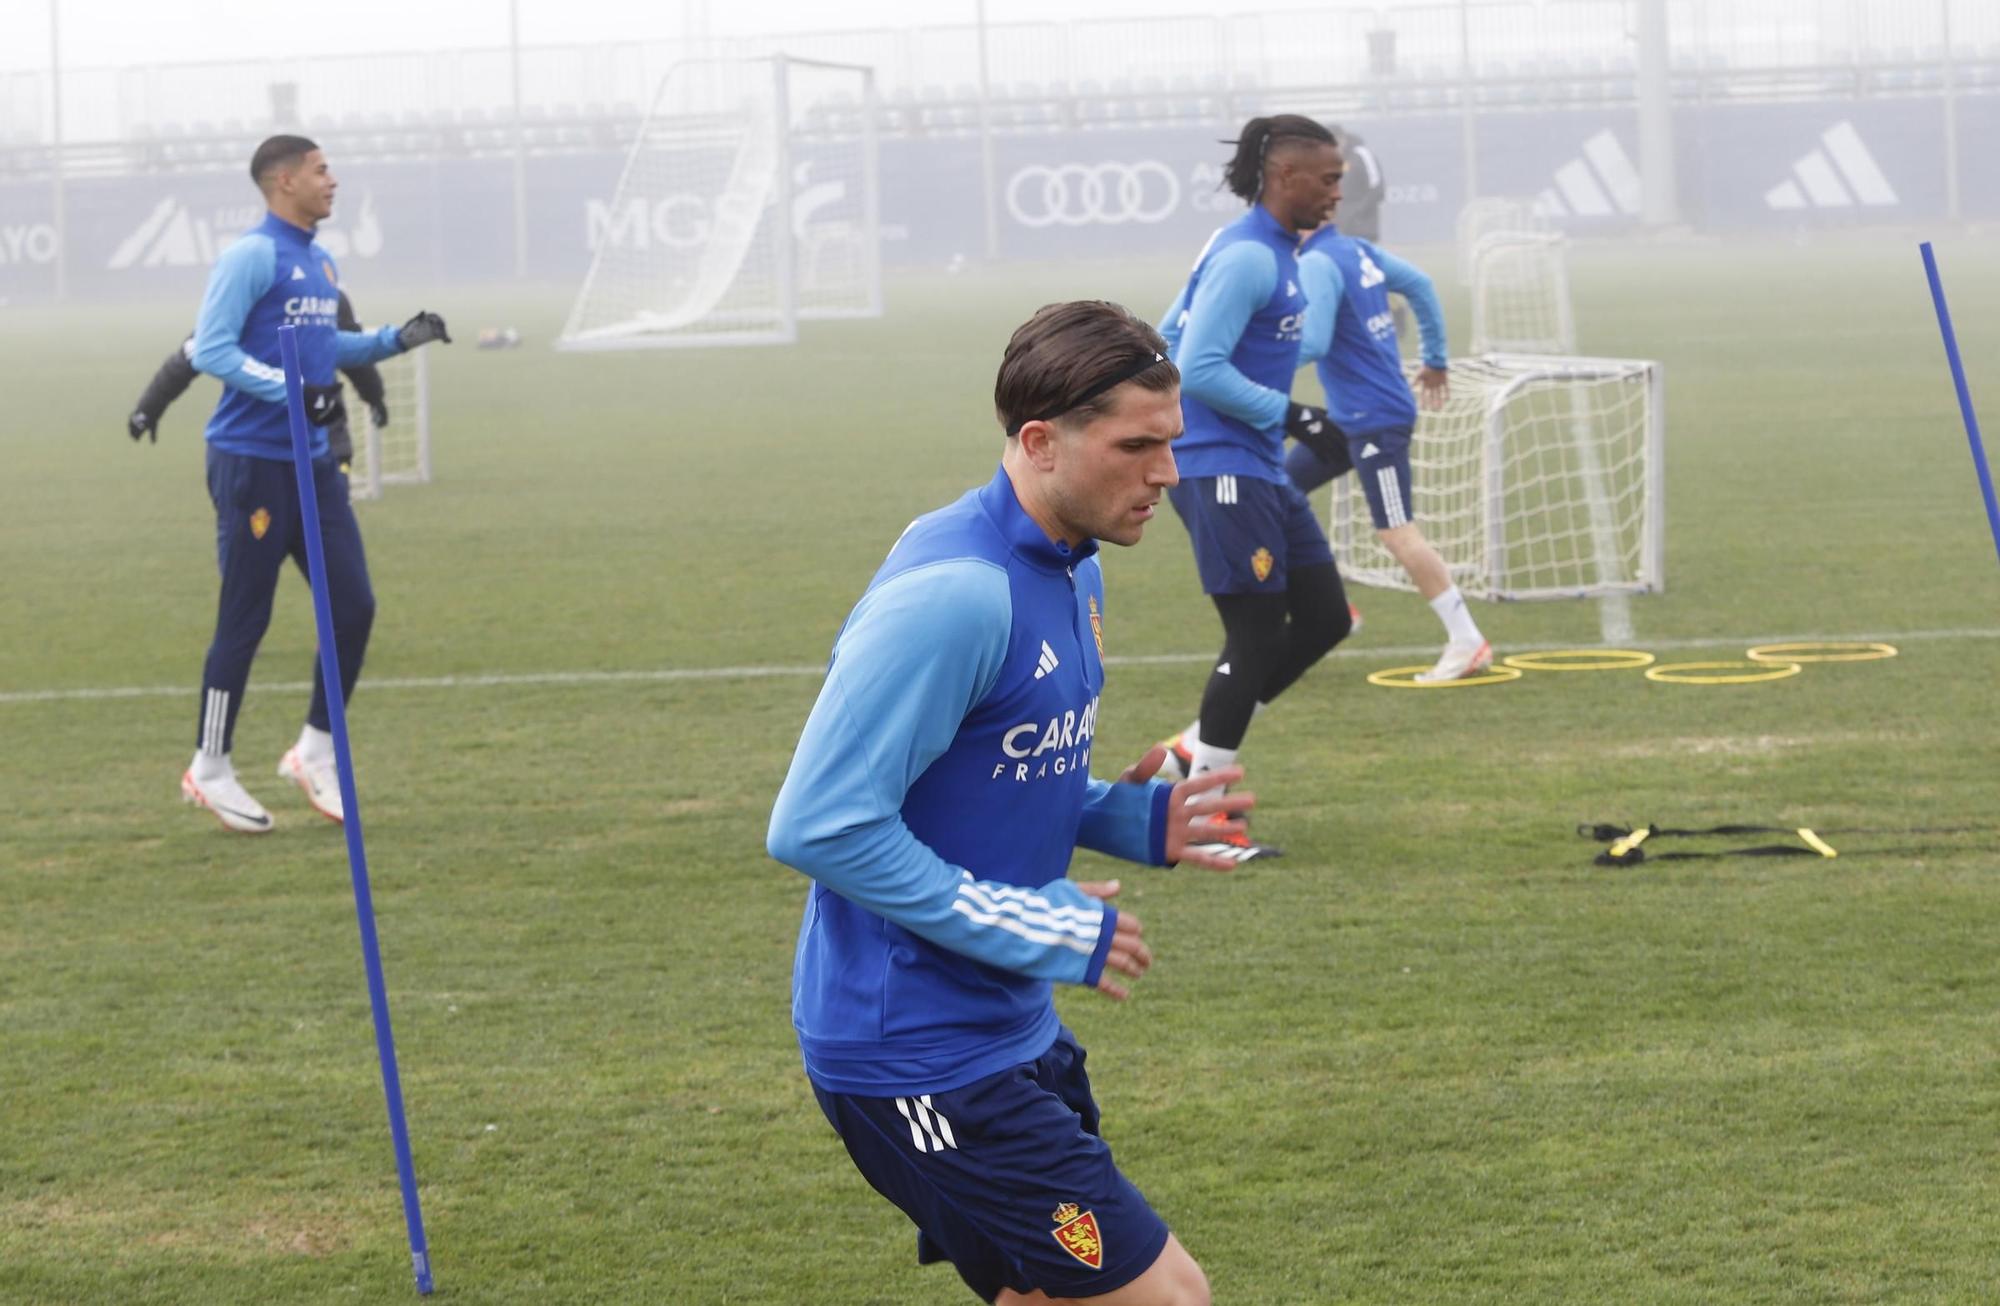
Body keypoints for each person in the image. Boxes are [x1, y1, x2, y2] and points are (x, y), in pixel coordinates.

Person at [767, 300, 1253, 1305]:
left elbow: (988, 766)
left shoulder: (1070, 568)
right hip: (914, 1049)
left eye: (1172, 444)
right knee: (1169, 1296)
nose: (1166, 474)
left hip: (1009, 1028)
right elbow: (820, 822)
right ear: (1039, 441)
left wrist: (1129, 820)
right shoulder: (955, 593)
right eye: (1136, 447)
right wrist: (1027, 918)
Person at [176, 134, 451, 833]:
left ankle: (314, 751)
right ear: (283, 179)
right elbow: (211, 348)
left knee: (354, 606)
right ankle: (209, 767)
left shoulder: (318, 260)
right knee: (246, 618)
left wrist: (396, 339)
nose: (334, 181)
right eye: (322, 170)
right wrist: (292, 391)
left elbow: (327, 349)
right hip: (251, 462)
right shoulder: (251, 255)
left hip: (312, 465)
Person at [1148, 115, 1356, 860]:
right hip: (1217, 464)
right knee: (1258, 631)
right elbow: (1197, 365)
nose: (1339, 190)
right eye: (1328, 178)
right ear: (1284, 177)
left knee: (1327, 617)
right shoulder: (1246, 258)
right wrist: (1295, 412)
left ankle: (1189, 751)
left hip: (1256, 462)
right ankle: (1203, 819)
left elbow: (1170, 328)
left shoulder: (1275, 252)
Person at [1287, 219, 1493, 682]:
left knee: (1397, 533)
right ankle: (1332, 605)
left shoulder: (1320, 261)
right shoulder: (1356, 250)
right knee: (1279, 487)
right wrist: (1435, 357)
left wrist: (1243, 363)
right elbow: (1419, 283)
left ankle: (1467, 639)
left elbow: (1314, 341)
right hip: (1349, 415)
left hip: (1376, 419)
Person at [127, 287, 391, 478]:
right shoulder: (243, 302)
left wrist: (374, 396)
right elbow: (191, 356)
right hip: (257, 450)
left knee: (334, 549)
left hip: (323, 445)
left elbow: (354, 356)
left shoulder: (328, 296)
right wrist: (149, 408)